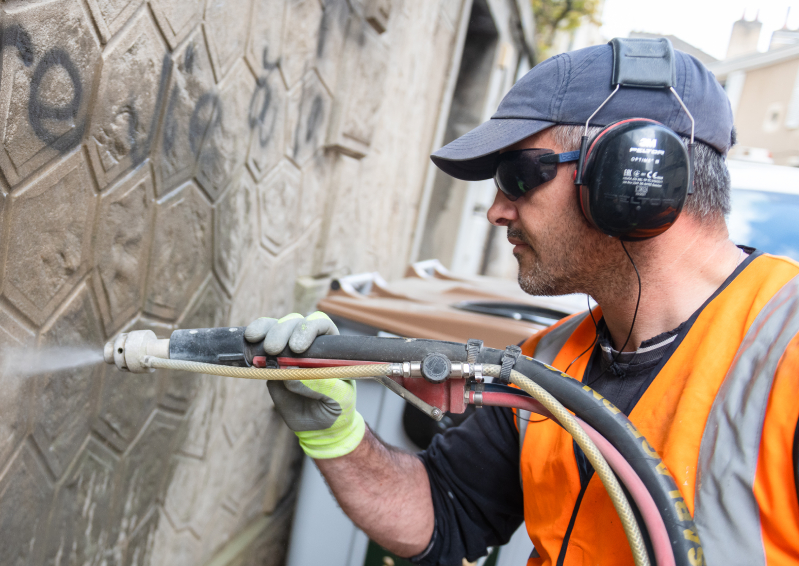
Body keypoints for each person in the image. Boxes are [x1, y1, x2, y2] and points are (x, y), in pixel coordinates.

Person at [246, 40, 799, 566]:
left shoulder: (788, 354)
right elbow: (444, 514)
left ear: (629, 175)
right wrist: (337, 435)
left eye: (517, 175)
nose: (496, 212)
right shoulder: (553, 363)